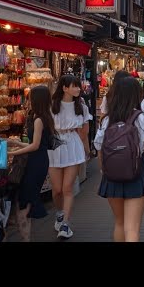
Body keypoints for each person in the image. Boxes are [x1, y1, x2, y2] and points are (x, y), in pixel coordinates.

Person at [94, 77, 144, 242]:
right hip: (137, 172)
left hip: (112, 175)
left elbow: (99, 148)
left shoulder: (107, 120)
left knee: (119, 223)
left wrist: (104, 170)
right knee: (132, 227)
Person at [6, 86, 55, 241]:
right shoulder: (43, 117)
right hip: (38, 160)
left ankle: (25, 237)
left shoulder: (39, 119)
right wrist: (13, 143)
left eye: (30, 97)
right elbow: (36, 145)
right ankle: (25, 236)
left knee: (24, 203)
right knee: (26, 203)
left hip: (35, 162)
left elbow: (34, 146)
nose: (28, 100)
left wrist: (11, 152)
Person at [49, 75, 92, 239]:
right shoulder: (53, 105)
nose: (78, 89)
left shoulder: (81, 105)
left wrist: (87, 149)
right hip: (55, 144)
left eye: (78, 86)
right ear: (64, 88)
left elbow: (85, 131)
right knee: (57, 190)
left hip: (73, 144)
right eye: (74, 86)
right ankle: (60, 213)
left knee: (67, 188)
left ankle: (66, 224)